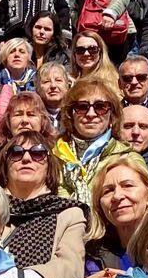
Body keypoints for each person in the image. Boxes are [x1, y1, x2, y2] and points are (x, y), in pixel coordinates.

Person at [0, 134, 86, 278]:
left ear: (49, 167)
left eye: (37, 153)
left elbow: (69, 270)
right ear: (5, 165)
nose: (26, 158)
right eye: (16, 152)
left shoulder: (68, 213)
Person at [53, 75, 134, 205]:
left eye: (100, 107)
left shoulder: (128, 158)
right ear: (70, 114)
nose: (91, 114)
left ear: (112, 115)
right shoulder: (54, 157)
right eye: (82, 107)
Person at [34, 61, 69, 133]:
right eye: (46, 81)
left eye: (58, 80)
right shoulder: (33, 115)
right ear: (37, 88)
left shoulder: (74, 114)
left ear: (67, 86)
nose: (53, 86)